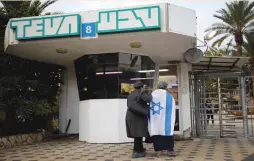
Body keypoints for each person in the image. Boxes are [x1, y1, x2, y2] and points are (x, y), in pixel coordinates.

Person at [148, 81, 176, 157]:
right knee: (167, 132)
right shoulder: (168, 96)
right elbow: (171, 107)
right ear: (165, 87)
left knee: (156, 132)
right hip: (165, 119)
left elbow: (149, 105)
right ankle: (170, 150)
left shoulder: (153, 94)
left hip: (155, 118)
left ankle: (158, 150)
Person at [125, 81, 152, 158]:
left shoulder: (132, 93)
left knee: (138, 133)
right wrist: (149, 92)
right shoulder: (141, 93)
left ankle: (140, 149)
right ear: (141, 87)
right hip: (137, 116)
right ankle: (136, 152)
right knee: (138, 133)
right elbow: (149, 99)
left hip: (131, 115)